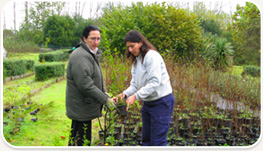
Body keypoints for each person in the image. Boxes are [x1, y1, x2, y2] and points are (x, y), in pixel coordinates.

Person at [115, 30, 175, 146]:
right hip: (148, 103)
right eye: (128, 47)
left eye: (132, 46)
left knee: (158, 141)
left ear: (141, 42)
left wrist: (136, 96)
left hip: (161, 102)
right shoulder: (137, 61)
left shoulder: (151, 56)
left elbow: (154, 82)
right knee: (146, 140)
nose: (130, 50)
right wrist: (125, 94)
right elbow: (135, 85)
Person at [66, 25, 116, 146]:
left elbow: (93, 79)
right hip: (81, 107)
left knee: (78, 139)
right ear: (84, 38)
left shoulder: (89, 53)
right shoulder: (81, 56)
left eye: (98, 39)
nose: (96, 42)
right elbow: (85, 84)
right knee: (81, 141)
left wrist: (104, 92)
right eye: (93, 38)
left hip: (83, 107)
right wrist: (105, 100)